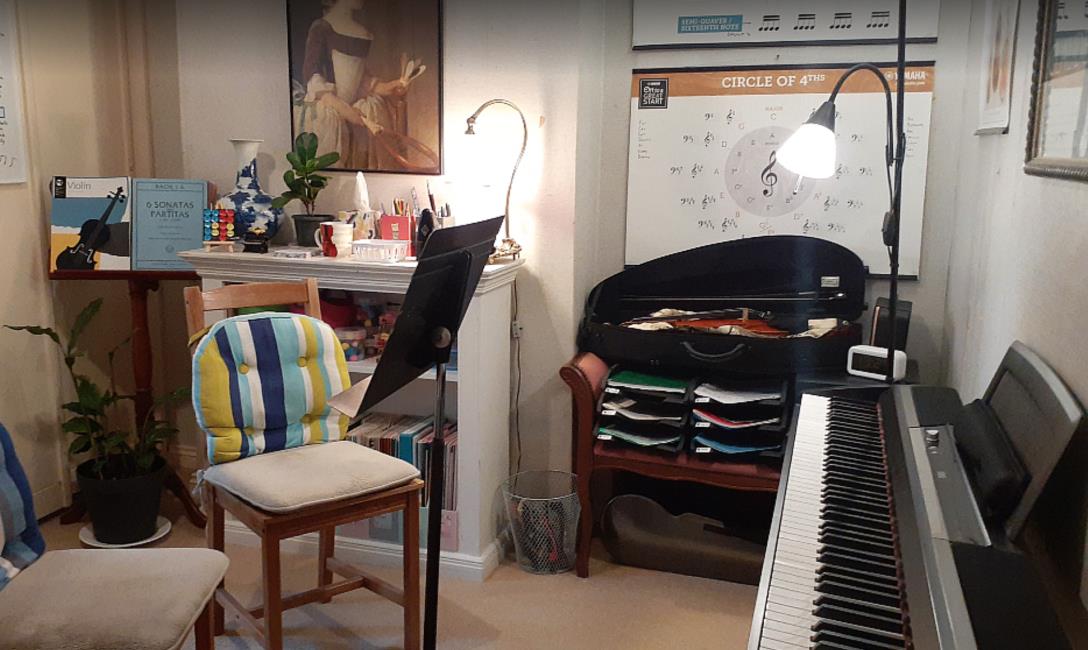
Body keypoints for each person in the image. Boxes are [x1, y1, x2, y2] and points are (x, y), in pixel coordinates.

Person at [294, 0, 417, 169]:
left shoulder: (362, 32)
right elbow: (313, 76)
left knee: (372, 111)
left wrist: (389, 87)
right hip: (327, 104)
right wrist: (345, 110)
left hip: (355, 105)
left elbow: (360, 79)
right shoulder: (322, 27)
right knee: (331, 123)